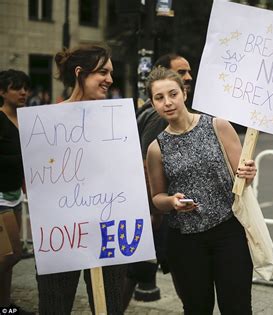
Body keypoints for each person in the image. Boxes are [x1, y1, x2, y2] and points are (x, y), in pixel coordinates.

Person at [146, 66, 256, 314]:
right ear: (153, 103)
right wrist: (172, 202)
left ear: (184, 93)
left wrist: (249, 172)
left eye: (172, 94)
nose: (168, 102)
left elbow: (242, 176)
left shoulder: (218, 126)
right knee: (196, 308)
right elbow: (157, 198)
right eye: (159, 98)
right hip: (185, 241)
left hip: (229, 231)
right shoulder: (156, 148)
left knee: (237, 307)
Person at [35, 44, 126, 314]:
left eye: (111, 73)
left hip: (107, 229)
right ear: (79, 73)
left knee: (109, 306)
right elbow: (38, 180)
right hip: (62, 233)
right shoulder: (47, 123)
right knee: (54, 305)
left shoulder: (115, 123)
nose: (110, 79)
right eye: (103, 72)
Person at [123, 53, 193, 308]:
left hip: (162, 209)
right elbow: (146, 162)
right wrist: (154, 211)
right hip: (161, 212)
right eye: (182, 72)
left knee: (137, 269)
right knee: (176, 269)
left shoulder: (155, 112)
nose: (188, 77)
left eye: (188, 72)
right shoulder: (159, 118)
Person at [0, 69, 34, 314]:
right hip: (0, 196)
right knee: (12, 254)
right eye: (16, 88)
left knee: (9, 259)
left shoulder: (28, 119)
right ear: (2, 92)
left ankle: (4, 306)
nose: (23, 92)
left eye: (25, 88)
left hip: (15, 194)